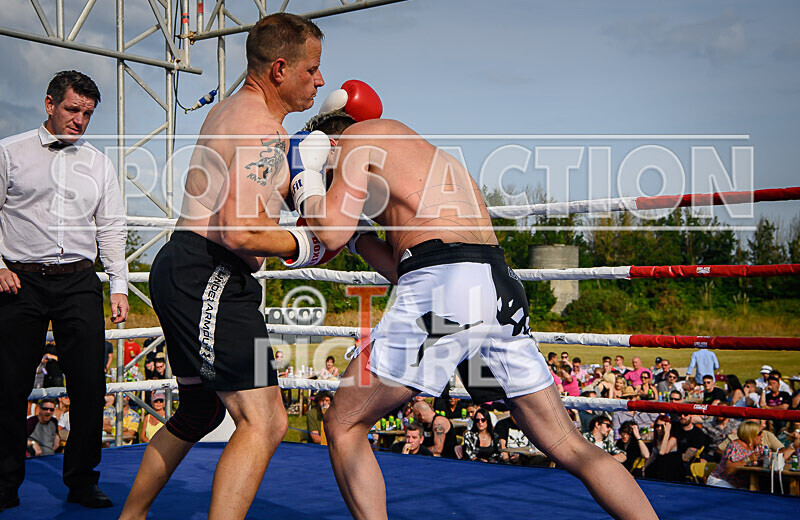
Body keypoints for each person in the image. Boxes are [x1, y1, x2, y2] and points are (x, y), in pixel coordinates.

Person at [299, 101, 657, 520]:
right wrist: (360, 239)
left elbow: (326, 228)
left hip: (444, 283)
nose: (337, 186)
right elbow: (404, 265)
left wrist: (308, 181)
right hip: (498, 284)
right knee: (569, 444)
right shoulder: (427, 157)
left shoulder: (355, 140)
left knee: (344, 423)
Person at [119, 14, 324, 520]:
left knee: (200, 409)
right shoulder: (261, 130)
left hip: (187, 266)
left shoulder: (237, 113)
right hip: (209, 269)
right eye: (312, 69)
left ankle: (131, 516)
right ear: (280, 68)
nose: (320, 81)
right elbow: (240, 231)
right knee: (266, 419)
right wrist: (308, 244)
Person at [0, 70, 129, 512]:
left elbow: (110, 225)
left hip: (78, 280)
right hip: (20, 279)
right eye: (73, 109)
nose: (79, 120)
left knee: (91, 385)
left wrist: (119, 284)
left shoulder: (98, 162)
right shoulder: (10, 152)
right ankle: (3, 483)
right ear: (50, 104)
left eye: (88, 113)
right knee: (8, 386)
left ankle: (81, 482)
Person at [707, 420, 800, 488]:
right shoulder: (735, 445)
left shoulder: (758, 447)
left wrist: (792, 447)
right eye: (760, 433)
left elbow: (776, 458)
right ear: (751, 434)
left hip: (742, 485)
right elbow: (730, 469)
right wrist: (748, 459)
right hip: (723, 482)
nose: (762, 435)